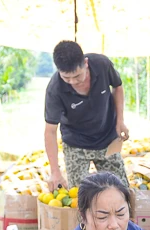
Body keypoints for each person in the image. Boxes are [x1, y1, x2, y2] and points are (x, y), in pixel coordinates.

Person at [44, 41, 129, 191]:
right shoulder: (55, 89)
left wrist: (120, 121)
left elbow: (118, 86)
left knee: (120, 190)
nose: (73, 82)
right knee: (79, 196)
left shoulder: (102, 65)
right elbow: (50, 131)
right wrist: (55, 171)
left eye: (77, 76)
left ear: (86, 63)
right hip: (75, 144)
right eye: (66, 78)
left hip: (107, 138)